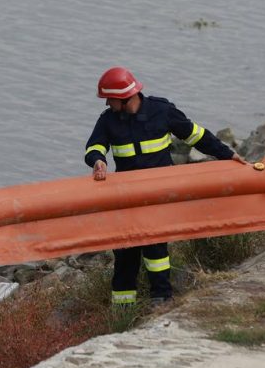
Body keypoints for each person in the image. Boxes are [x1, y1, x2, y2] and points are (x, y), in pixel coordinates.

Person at [84, 67, 245, 309]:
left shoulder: (163, 111)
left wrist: (228, 155)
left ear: (126, 98)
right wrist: (98, 160)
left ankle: (161, 300)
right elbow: (93, 147)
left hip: (158, 196)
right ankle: (123, 310)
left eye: (110, 99)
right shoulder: (108, 120)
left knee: (155, 247)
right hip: (127, 198)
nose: (107, 103)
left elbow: (197, 136)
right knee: (125, 251)